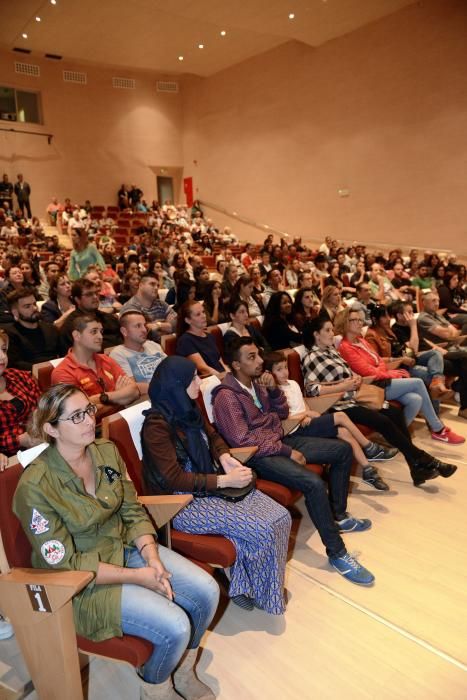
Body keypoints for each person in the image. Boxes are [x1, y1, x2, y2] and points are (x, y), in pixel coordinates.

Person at [13, 383, 219, 700]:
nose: (88, 421)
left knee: (208, 591)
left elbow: (131, 509)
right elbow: (65, 562)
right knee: (176, 625)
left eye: (89, 411)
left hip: (123, 548)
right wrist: (139, 577)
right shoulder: (36, 486)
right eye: (76, 416)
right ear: (51, 429)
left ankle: (182, 671)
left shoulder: (105, 451)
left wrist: (151, 557)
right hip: (81, 582)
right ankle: (156, 690)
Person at [212, 337, 375, 587]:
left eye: (258, 354)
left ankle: (339, 515)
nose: (259, 361)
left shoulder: (257, 383)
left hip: (279, 441)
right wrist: (286, 452)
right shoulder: (226, 397)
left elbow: (281, 414)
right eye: (251, 357)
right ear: (235, 364)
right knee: (313, 483)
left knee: (342, 450)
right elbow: (242, 439)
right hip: (258, 456)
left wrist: (274, 390)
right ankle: (338, 553)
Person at [142, 356, 291, 613]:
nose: (199, 382)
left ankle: (253, 585)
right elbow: (173, 479)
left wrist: (223, 456)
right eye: (193, 378)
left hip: (210, 486)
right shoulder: (156, 426)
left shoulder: (188, 408)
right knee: (261, 528)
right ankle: (262, 591)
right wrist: (224, 480)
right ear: (178, 384)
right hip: (181, 503)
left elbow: (213, 436)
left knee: (281, 516)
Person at [301, 316, 458, 487]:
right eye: (328, 330)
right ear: (316, 335)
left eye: (332, 329)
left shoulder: (331, 351)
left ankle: (416, 466)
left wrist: (355, 378)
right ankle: (425, 460)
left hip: (355, 397)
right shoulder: (311, 357)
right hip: (337, 405)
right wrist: (343, 387)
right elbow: (312, 390)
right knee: (383, 420)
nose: (332, 333)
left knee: (395, 413)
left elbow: (346, 373)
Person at [264, 351, 393, 490]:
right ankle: (370, 448)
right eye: (279, 369)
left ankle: (368, 471)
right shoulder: (273, 391)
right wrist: (305, 414)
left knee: (344, 432)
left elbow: (302, 403)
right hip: (295, 428)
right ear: (269, 373)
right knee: (341, 416)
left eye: (285, 367)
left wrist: (310, 412)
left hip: (307, 422)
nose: (284, 372)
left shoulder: (293, 383)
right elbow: (281, 417)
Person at [336, 305, 464, 444]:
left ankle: (393, 436)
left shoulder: (361, 341)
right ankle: (438, 429)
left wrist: (385, 369)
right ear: (345, 323)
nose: (359, 323)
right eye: (354, 320)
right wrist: (391, 373)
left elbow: (379, 361)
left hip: (382, 378)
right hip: (372, 385)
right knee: (417, 382)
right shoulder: (345, 347)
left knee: (415, 399)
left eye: (360, 320)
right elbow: (368, 372)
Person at [52, 315, 139, 410]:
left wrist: (102, 398)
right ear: (77, 336)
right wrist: (120, 396)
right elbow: (81, 412)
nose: (101, 337)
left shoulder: (106, 359)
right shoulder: (63, 372)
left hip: (119, 418)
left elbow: (134, 391)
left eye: (101, 332)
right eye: (94, 332)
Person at [367, 303, 452, 400]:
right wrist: (401, 359)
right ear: (374, 319)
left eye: (388, 316)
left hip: (408, 358)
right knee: (430, 375)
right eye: (384, 316)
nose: (388, 319)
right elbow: (375, 360)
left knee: (436, 354)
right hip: (397, 366)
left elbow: (405, 348)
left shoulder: (387, 330)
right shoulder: (371, 336)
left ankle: (438, 384)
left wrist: (411, 354)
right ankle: (434, 407)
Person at [0, 328, 41, 471]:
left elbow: (42, 410)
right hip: (9, 461)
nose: (2, 357)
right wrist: (19, 440)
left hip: (41, 447)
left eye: (4, 350)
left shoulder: (21, 377)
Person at [110, 311, 166, 396]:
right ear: (124, 331)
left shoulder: (153, 345)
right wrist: (165, 386)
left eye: (144, 325)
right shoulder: (118, 354)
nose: (144, 330)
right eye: (138, 326)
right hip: (145, 400)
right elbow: (132, 388)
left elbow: (171, 370)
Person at [4, 288, 61, 370]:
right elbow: (15, 364)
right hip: (27, 377)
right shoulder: (10, 335)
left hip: (58, 372)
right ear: (15, 312)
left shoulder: (51, 329)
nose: (34, 308)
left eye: (34, 304)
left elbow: (64, 354)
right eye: (27, 306)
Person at [59, 278, 121, 353]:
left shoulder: (109, 318)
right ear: (77, 299)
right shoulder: (71, 326)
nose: (95, 297)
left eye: (96, 293)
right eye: (89, 294)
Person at [176, 301, 228, 379]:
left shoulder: (210, 336)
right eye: (198, 314)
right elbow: (203, 369)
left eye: (203, 312)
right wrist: (225, 379)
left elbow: (220, 362)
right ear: (188, 320)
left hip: (221, 377)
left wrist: (230, 375)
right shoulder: (185, 340)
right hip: (208, 381)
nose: (204, 316)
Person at [120, 274, 176, 342]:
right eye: (152, 284)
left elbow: (177, 324)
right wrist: (167, 326)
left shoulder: (161, 304)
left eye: (157, 285)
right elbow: (144, 333)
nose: (156, 288)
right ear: (141, 285)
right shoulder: (130, 307)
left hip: (165, 347)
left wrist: (158, 325)